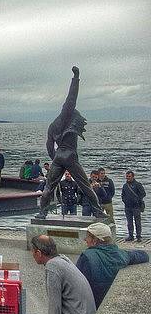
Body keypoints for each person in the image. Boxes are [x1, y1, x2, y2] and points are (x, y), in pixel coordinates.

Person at [37, 67, 106, 219]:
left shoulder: (52, 125)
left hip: (58, 157)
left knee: (49, 187)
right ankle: (99, 212)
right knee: (85, 185)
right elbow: (71, 96)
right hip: (70, 156)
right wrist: (76, 77)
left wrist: (55, 158)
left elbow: (49, 146)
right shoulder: (67, 114)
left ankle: (42, 213)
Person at [76, 222, 149, 308]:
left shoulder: (87, 256)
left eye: (87, 237)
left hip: (93, 303)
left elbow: (77, 286)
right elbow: (144, 255)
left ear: (95, 240)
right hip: (112, 300)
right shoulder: (121, 254)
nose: (85, 239)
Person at [121, 170, 145, 242]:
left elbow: (143, 194)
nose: (128, 178)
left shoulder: (138, 184)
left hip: (136, 207)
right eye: (127, 176)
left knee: (138, 222)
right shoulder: (125, 186)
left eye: (129, 176)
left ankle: (139, 236)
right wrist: (125, 201)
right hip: (128, 207)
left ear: (133, 177)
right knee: (129, 222)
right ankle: (131, 236)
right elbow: (123, 195)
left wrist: (137, 200)